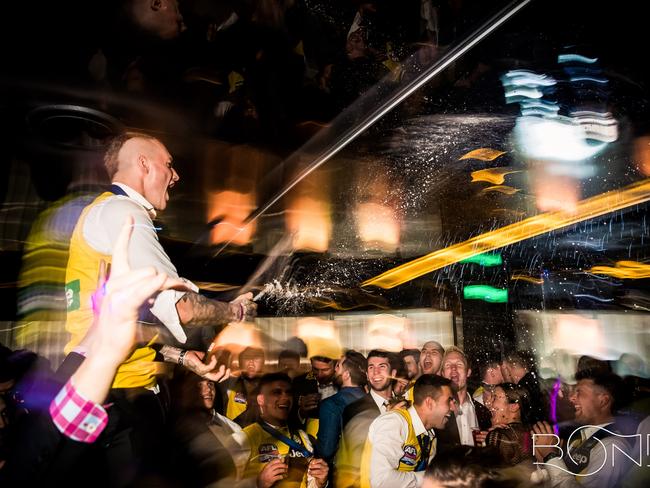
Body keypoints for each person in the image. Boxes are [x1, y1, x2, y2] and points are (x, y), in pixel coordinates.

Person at [61, 132, 256, 483]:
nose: (176, 175)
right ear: (143, 164)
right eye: (169, 164)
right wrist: (236, 312)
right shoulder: (124, 212)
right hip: (120, 399)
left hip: (109, 391)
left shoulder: (105, 211)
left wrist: (182, 357)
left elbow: (124, 326)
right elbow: (182, 308)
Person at [532, 369, 632, 487]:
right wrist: (545, 459)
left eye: (579, 392)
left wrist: (550, 455)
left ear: (603, 401)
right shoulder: (579, 437)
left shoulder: (613, 448)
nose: (571, 398)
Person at [232, 372, 329, 488]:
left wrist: (320, 482)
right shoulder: (242, 439)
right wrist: (258, 484)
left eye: (288, 393)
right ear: (261, 400)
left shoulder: (302, 437)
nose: (285, 398)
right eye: (276, 393)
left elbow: (310, 484)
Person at [361, 374, 455, 488]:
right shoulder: (394, 423)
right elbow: (382, 481)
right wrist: (430, 478)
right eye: (449, 401)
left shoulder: (429, 435)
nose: (453, 407)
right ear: (429, 403)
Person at [316, 350, 367, 464]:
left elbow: (326, 451)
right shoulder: (374, 401)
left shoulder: (332, 404)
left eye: (338, 366)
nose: (334, 369)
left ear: (347, 375)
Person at [437, 346, 491, 449]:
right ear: (442, 374)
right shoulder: (436, 411)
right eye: (448, 365)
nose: (453, 368)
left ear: (468, 372)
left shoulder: (483, 412)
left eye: (459, 364)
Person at [485, 383, 533, 465]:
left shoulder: (499, 436)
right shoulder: (530, 431)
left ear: (513, 406)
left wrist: (491, 439)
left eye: (494, 398)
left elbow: (489, 473)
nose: (488, 403)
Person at [220, 346, 266, 427]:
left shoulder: (271, 387)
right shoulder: (229, 381)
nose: (251, 362)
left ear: (263, 362)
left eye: (256, 357)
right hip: (232, 435)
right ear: (240, 362)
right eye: (247, 357)